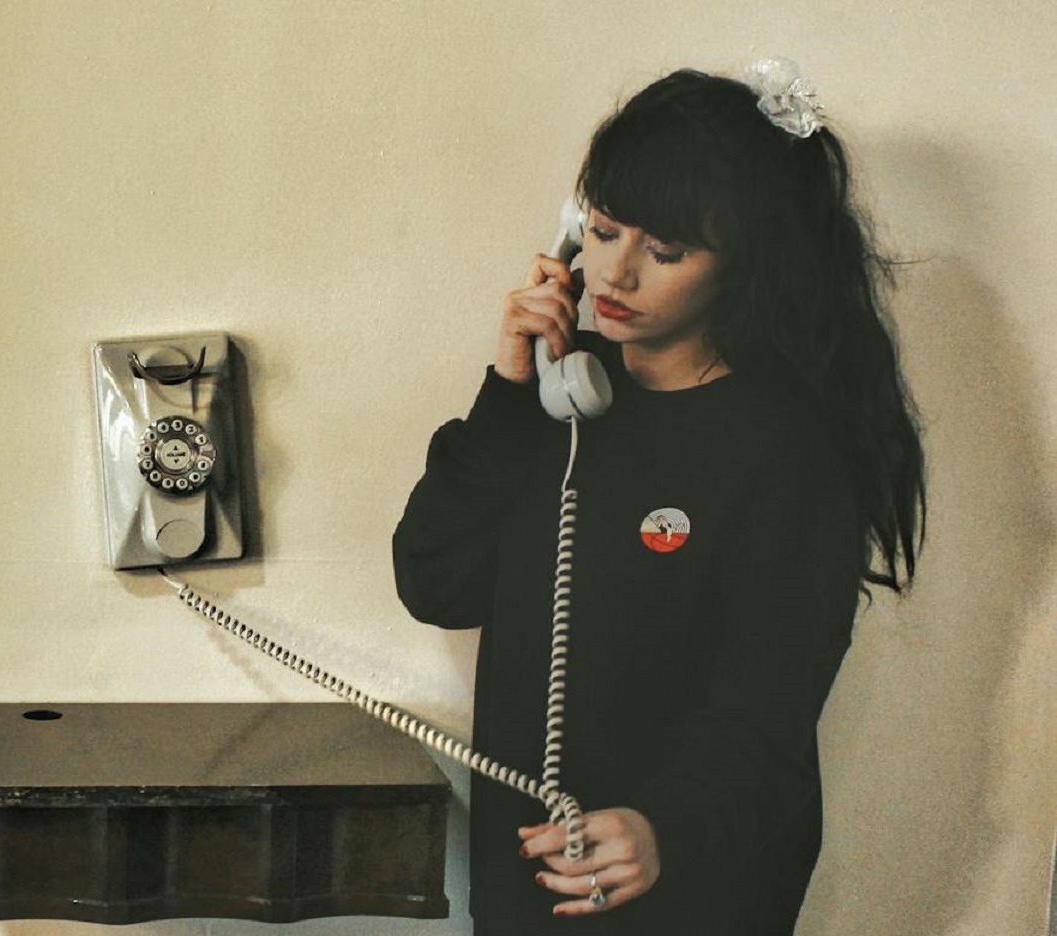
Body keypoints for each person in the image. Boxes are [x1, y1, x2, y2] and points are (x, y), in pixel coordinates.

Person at [392, 60, 926, 935]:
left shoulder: (785, 449)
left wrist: (664, 826)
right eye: (602, 231)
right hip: (529, 874)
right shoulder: (556, 398)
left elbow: (768, 704)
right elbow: (432, 582)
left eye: (666, 251)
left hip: (687, 880)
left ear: (743, 262)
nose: (618, 274)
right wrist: (507, 384)